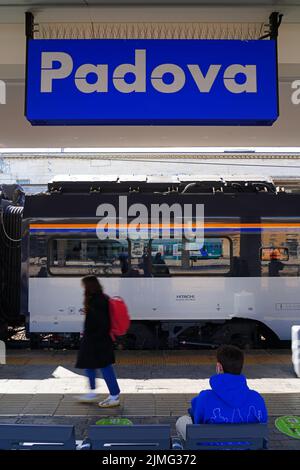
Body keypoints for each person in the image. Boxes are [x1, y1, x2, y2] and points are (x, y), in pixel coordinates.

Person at [176, 345, 268, 440]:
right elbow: (263, 426)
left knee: (182, 421)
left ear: (219, 367)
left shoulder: (205, 397)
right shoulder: (257, 398)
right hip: (248, 446)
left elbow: (196, 419)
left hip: (210, 446)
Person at [75, 275, 120, 407]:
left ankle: (114, 395)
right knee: (90, 366)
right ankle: (92, 392)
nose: (83, 288)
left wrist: (90, 335)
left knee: (105, 368)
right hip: (96, 340)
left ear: (89, 286)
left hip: (98, 341)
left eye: (84, 285)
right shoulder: (99, 299)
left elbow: (101, 323)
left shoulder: (97, 301)